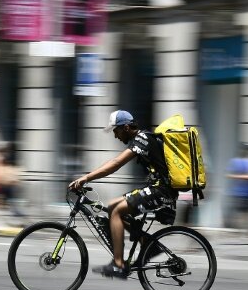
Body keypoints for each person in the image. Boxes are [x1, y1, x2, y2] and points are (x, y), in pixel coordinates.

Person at [69, 110, 177, 278]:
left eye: (116, 131)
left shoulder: (142, 138)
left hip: (161, 191)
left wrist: (86, 178)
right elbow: (114, 162)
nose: (115, 136)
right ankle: (147, 243)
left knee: (117, 212)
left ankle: (118, 264)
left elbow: (116, 163)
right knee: (113, 206)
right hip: (156, 188)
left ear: (126, 127)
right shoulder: (140, 138)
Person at [225, 147, 248, 228]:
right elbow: (227, 175)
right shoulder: (235, 161)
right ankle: (237, 228)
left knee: (246, 213)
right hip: (237, 192)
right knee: (237, 212)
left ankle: (244, 228)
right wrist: (244, 177)